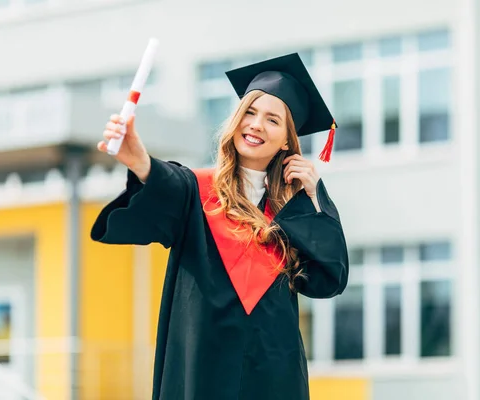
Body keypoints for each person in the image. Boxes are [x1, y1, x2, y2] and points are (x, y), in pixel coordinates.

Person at [91, 53, 349, 400]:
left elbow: (328, 278)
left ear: (288, 141)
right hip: (203, 373)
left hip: (273, 377)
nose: (256, 125)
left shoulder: (293, 213)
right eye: (250, 113)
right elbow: (166, 183)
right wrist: (139, 159)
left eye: (272, 120)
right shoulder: (196, 192)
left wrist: (315, 197)